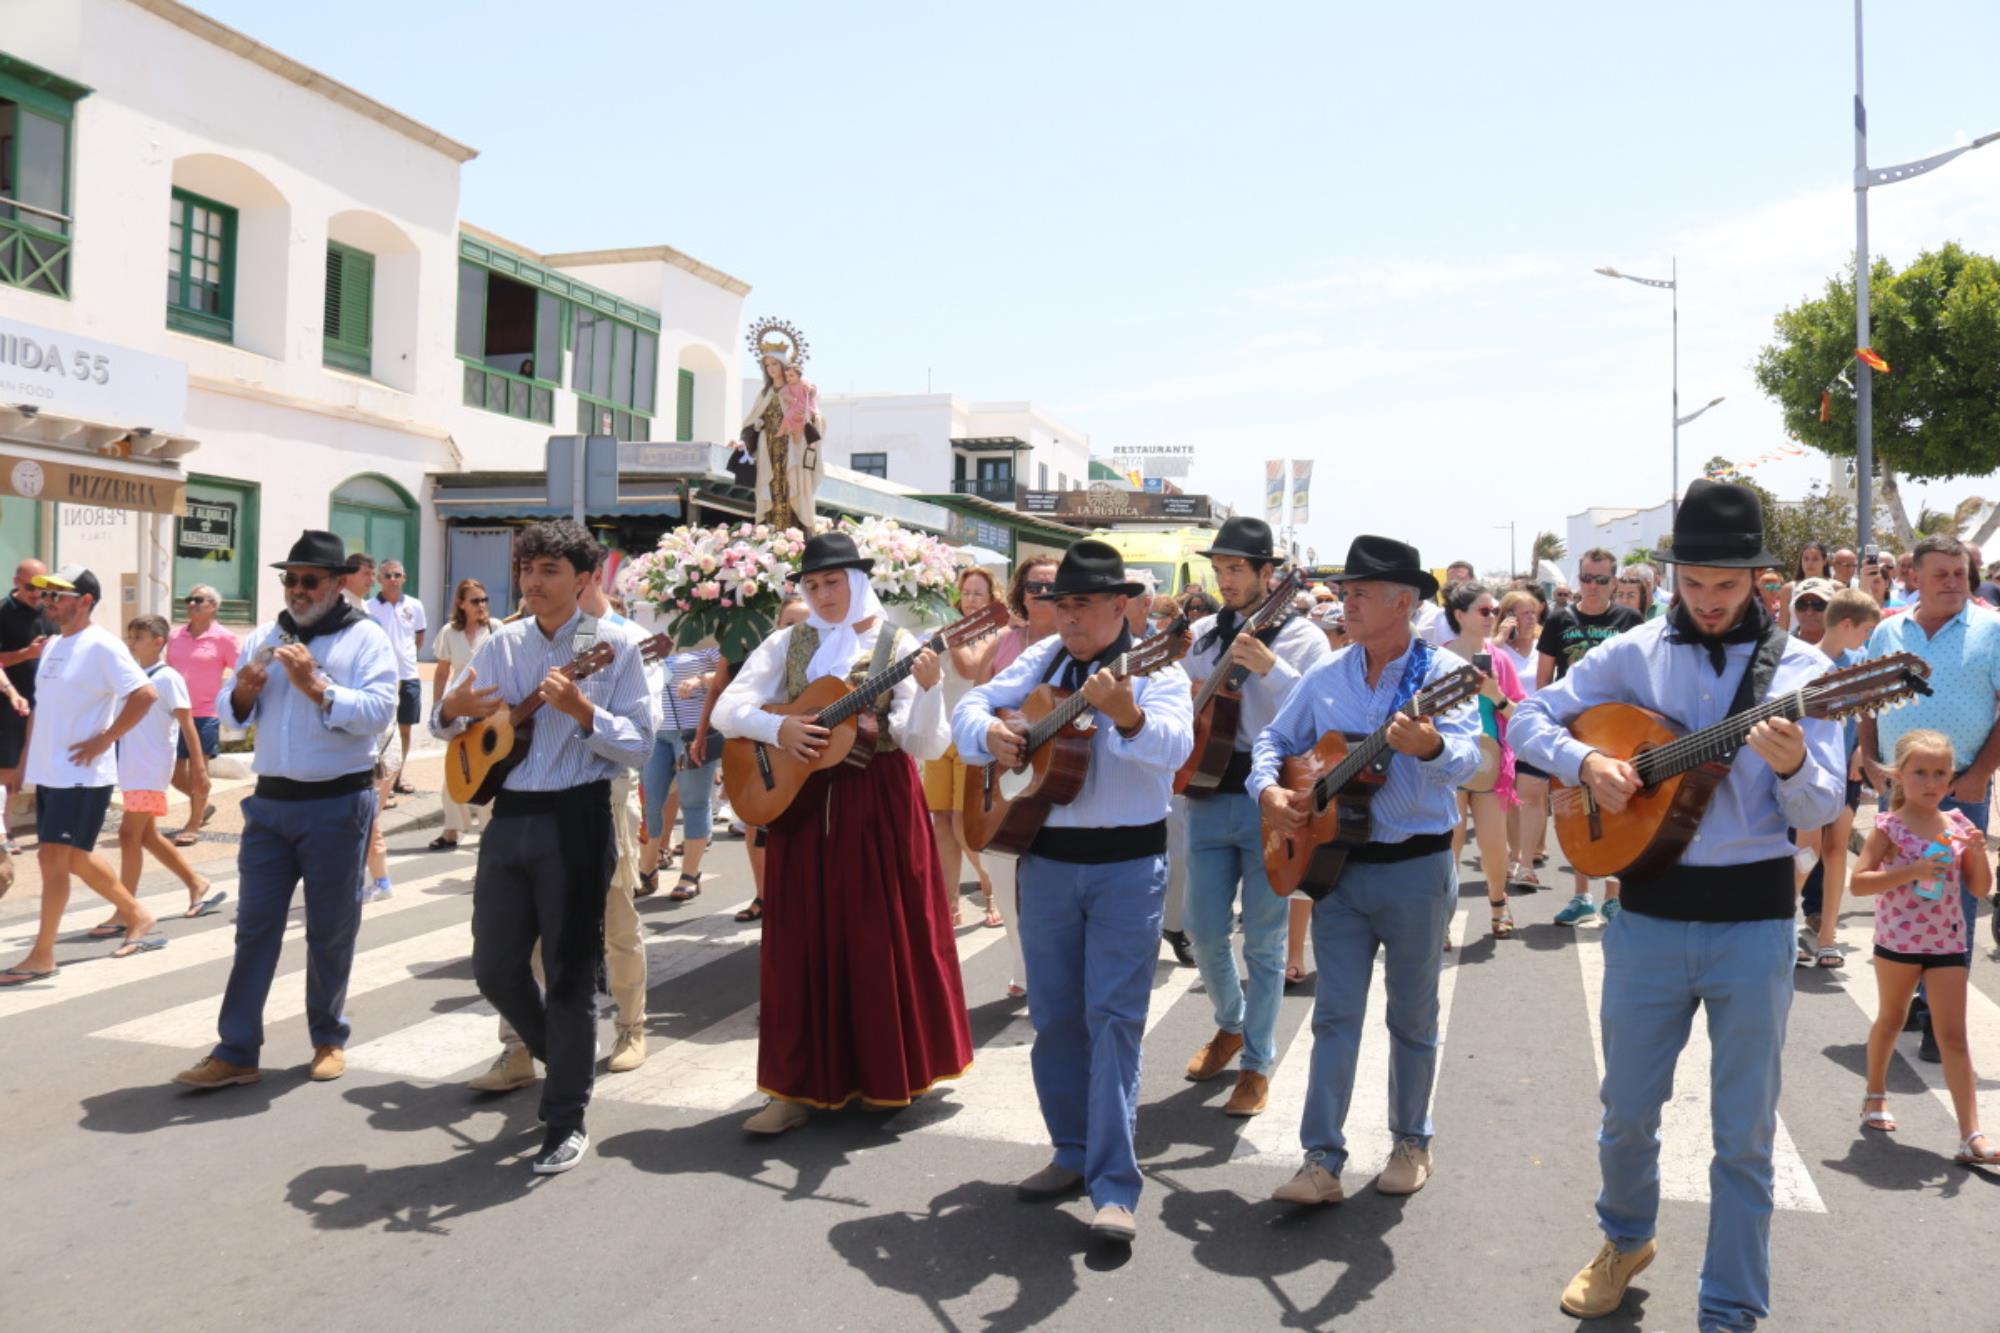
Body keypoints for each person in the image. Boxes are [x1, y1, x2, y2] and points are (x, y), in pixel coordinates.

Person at [1510, 481, 1844, 1331]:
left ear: (1760, 580)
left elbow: (1821, 810)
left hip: (1754, 922)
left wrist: (1794, 762)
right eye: (1693, 583)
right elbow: (1528, 718)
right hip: (1649, 914)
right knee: (1626, 1113)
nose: (1706, 601)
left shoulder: (1806, 672)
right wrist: (1586, 766)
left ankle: (1729, 1307)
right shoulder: (1634, 650)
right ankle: (1624, 1239)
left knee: (1742, 1135)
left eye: (1725, 587)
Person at [954, 539, 1193, 1244]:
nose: (1070, 616)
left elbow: (1175, 749)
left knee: (1114, 1020)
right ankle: (1071, 1151)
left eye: (1084, 603)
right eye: (1061, 604)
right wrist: (993, 735)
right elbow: (972, 704)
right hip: (1046, 859)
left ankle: (1115, 1185)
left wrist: (1128, 716)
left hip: (1126, 863)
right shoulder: (1046, 657)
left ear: (1122, 606)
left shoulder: (1156, 665)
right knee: (1055, 1017)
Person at [714, 531, 971, 1136]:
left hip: (877, 803)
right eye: (813, 584)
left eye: (834, 582)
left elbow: (922, 742)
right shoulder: (787, 640)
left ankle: (890, 1073)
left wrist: (932, 692)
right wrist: (783, 732)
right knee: (799, 939)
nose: (824, 594)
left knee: (878, 936)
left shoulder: (898, 644)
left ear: (858, 581)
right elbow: (730, 708)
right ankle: (793, 1087)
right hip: (802, 803)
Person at [1253, 535, 1479, 1208]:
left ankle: (1412, 1140)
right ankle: (1321, 1158)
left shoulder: (1444, 674)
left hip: (1415, 866)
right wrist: (1269, 791)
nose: (1343, 603)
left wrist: (1434, 744)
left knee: (1412, 1016)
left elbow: (1471, 760)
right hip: (1338, 873)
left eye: (1357, 593)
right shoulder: (1326, 675)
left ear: (1403, 602)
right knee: (1334, 1015)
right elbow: (1274, 741)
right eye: (1344, 592)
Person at [432, 520, 653, 1172]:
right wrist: (455, 708)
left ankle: (565, 1119)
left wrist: (587, 714)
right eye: (528, 568)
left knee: (567, 976)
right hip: (510, 813)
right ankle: (567, 1059)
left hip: (579, 813)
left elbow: (640, 740)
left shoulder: (613, 645)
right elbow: (446, 718)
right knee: (494, 967)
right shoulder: (503, 641)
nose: (533, 581)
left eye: (550, 570)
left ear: (584, 580)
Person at [171, 533, 397, 1083]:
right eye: (290, 580)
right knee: (255, 928)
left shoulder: (364, 638)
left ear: (338, 583)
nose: (297, 590)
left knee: (331, 928)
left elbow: (379, 712)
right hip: (271, 804)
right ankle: (236, 1051)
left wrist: (315, 686)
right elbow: (232, 715)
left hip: (337, 801)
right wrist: (245, 691)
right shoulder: (266, 637)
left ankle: (327, 1037)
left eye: (309, 580)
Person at [1177, 518, 1331, 1117]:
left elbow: (1320, 716)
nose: (1225, 581)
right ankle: (1230, 1023)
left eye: (1236, 569)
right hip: (1209, 792)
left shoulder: (1304, 640)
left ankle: (1257, 1063)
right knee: (1203, 930)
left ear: (1271, 574)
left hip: (1274, 801)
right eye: (1218, 571)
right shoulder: (1204, 636)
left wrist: (1271, 668)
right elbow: (1182, 699)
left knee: (1265, 946)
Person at [1858, 532, 2000, 1064]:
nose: (1952, 583)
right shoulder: (1889, 630)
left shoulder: (1992, 631)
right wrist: (1869, 759)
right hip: (1898, 789)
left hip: (1961, 785)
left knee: (1956, 898)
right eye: (1940, 574)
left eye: (1959, 573)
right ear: (1913, 577)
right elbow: (1868, 699)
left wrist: (1979, 773)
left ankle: (1943, 1021)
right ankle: (1910, 999)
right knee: (1901, 893)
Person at [0, 567, 162, 987]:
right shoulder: (53, 644)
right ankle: (137, 913)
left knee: (55, 858)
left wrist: (104, 739)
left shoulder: (103, 645)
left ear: (85, 600)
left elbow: (145, 694)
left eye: (59, 595)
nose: (49, 601)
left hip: (83, 774)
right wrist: (22, 764)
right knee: (67, 858)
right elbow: (40, 708)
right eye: (47, 595)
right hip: (50, 770)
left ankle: (42, 954)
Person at [1850, 728, 1999, 1165]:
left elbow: (1979, 887)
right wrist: (1911, 870)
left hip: (1947, 942)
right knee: (1892, 1019)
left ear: (1952, 776)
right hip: (1898, 940)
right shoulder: (1888, 827)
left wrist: (1978, 854)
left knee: (1953, 1034)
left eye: (1940, 773)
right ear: (1898, 776)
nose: (1931, 783)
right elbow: (1859, 884)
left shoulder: (1959, 825)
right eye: (1920, 773)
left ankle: (1970, 1133)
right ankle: (1875, 1093)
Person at [1539, 547, 1644, 925]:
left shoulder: (1630, 620)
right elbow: (1543, 679)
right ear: (1578, 578)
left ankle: (1613, 897)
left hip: (1619, 729)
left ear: (1614, 582)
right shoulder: (1559, 619)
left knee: (1618, 807)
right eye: (1587, 578)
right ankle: (1581, 895)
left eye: (1602, 579)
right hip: (1573, 731)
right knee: (1575, 811)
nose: (1594, 586)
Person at [985, 557, 1063, 993]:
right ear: (1022, 593)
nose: (1044, 594)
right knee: (1001, 865)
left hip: (1059, 772)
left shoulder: (1080, 643)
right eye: (1035, 587)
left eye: (1054, 587)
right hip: (1004, 770)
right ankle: (1021, 964)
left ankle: (1047, 970)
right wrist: (995, 727)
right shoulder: (1004, 642)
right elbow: (977, 697)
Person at [110, 615, 219, 921]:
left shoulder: (167, 677)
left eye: (138, 638)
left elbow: (188, 724)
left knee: (128, 835)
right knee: (146, 836)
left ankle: (125, 909)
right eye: (129, 637)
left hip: (151, 767)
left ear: (158, 642)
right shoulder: (131, 676)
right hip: (132, 766)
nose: (130, 643)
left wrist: (199, 768)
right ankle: (196, 883)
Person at [1797, 587, 1881, 969]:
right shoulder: (1803, 663)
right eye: (1864, 630)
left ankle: (1827, 936)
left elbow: (1869, 711)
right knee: (1807, 850)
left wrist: (1862, 752)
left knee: (1835, 850)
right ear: (1846, 624)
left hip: (1845, 770)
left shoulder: (1859, 661)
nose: (1866, 639)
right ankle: (1784, 928)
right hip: (1807, 776)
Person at [1441, 581, 1526, 938]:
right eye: (1484, 610)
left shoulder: (1500, 659)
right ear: (1459, 615)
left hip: (1491, 764)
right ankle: (1441, 919)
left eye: (1494, 611)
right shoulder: (1437, 658)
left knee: (1494, 845)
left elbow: (1521, 712)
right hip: (1446, 762)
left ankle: (1498, 901)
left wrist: (1496, 694)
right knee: (1450, 846)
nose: (1492, 617)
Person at [926, 566, 1004, 925]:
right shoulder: (945, 627)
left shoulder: (995, 630)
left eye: (979, 593)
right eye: (967, 592)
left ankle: (992, 892)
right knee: (940, 821)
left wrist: (951, 636)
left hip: (971, 735)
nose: (971, 600)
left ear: (991, 599)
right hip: (940, 731)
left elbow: (971, 669)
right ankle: (949, 904)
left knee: (962, 822)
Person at [638, 640, 722, 902]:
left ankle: (690, 874)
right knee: (650, 801)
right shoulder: (657, 637)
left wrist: (700, 679)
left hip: (692, 733)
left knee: (693, 802)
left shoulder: (713, 640)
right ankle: (647, 868)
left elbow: (729, 675)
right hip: (659, 732)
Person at [164, 584, 236, 847]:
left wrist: (228, 702)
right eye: (189, 599)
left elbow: (240, 672)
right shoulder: (174, 637)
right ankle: (202, 805)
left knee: (198, 772)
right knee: (173, 775)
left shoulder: (224, 638)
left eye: (199, 600)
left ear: (214, 606)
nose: (192, 604)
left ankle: (193, 824)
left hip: (205, 713)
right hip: (175, 714)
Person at [427, 579, 492, 850]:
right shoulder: (449, 632)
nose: (481, 605)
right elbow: (442, 672)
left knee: (488, 769)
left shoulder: (495, 628)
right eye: (475, 600)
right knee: (455, 767)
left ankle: (488, 831)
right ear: (461, 603)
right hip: (458, 709)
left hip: (487, 707)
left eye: (484, 599)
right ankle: (451, 829)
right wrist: (438, 708)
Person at [0, 558, 53, 855]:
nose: (38, 593)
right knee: (7, 770)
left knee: (38, 765)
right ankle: (5, 831)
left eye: (43, 586)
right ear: (16, 582)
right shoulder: (3, 611)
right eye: (32, 586)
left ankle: (49, 829)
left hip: (47, 702)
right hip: (10, 701)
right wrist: (28, 653)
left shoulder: (52, 610)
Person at [741, 351, 823, 531]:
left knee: (793, 487)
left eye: (774, 364)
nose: (771, 369)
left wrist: (809, 416)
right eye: (767, 365)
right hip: (768, 448)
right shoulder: (765, 394)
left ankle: (794, 533)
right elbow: (752, 419)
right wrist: (752, 431)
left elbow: (815, 416)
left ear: (784, 366)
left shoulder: (798, 389)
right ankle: (770, 531)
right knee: (770, 488)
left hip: (793, 447)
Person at [366, 559, 426, 795]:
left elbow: (419, 638)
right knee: (380, 731)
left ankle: (398, 776)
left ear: (404, 578)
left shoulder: (415, 606)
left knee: (405, 729)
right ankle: (382, 780)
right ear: (379, 580)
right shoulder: (369, 607)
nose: (392, 579)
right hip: (381, 677)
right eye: (387, 575)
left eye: (397, 575)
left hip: (409, 675)